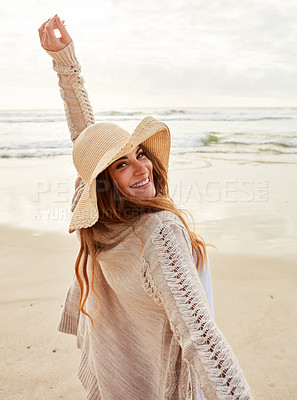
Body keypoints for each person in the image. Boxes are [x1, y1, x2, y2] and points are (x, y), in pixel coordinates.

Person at [38, 15, 252, 400]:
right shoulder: (159, 233)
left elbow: (83, 137)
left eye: (138, 153)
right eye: (122, 164)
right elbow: (201, 338)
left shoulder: (100, 220)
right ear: (106, 180)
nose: (142, 167)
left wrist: (65, 65)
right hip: (178, 379)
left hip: (126, 371)